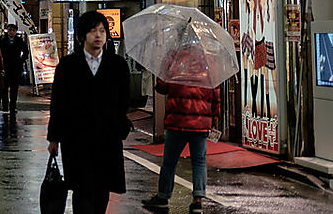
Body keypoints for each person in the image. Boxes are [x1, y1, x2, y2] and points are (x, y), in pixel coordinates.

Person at [47, 11, 131, 214]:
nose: (98, 35)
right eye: (93, 31)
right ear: (82, 35)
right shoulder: (68, 66)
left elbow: (124, 101)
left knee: (102, 191)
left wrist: (120, 127)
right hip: (77, 139)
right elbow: (58, 103)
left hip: (107, 138)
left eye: (102, 31)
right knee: (82, 191)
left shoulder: (118, 66)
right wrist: (54, 138)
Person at [142, 80, 221, 214]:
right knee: (199, 162)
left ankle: (163, 196)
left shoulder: (176, 68)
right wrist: (213, 119)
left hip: (177, 120)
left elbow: (161, 87)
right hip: (200, 122)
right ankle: (197, 200)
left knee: (170, 162)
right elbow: (216, 97)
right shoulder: (209, 70)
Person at [0, 24, 29, 116]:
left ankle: (13, 106)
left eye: (13, 30)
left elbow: (26, 51)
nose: (11, 32)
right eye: (10, 30)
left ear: (15, 32)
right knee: (4, 88)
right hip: (5, 67)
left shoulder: (19, 40)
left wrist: (21, 60)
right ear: (7, 30)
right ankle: (5, 106)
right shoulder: (2, 40)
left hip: (16, 67)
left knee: (14, 89)